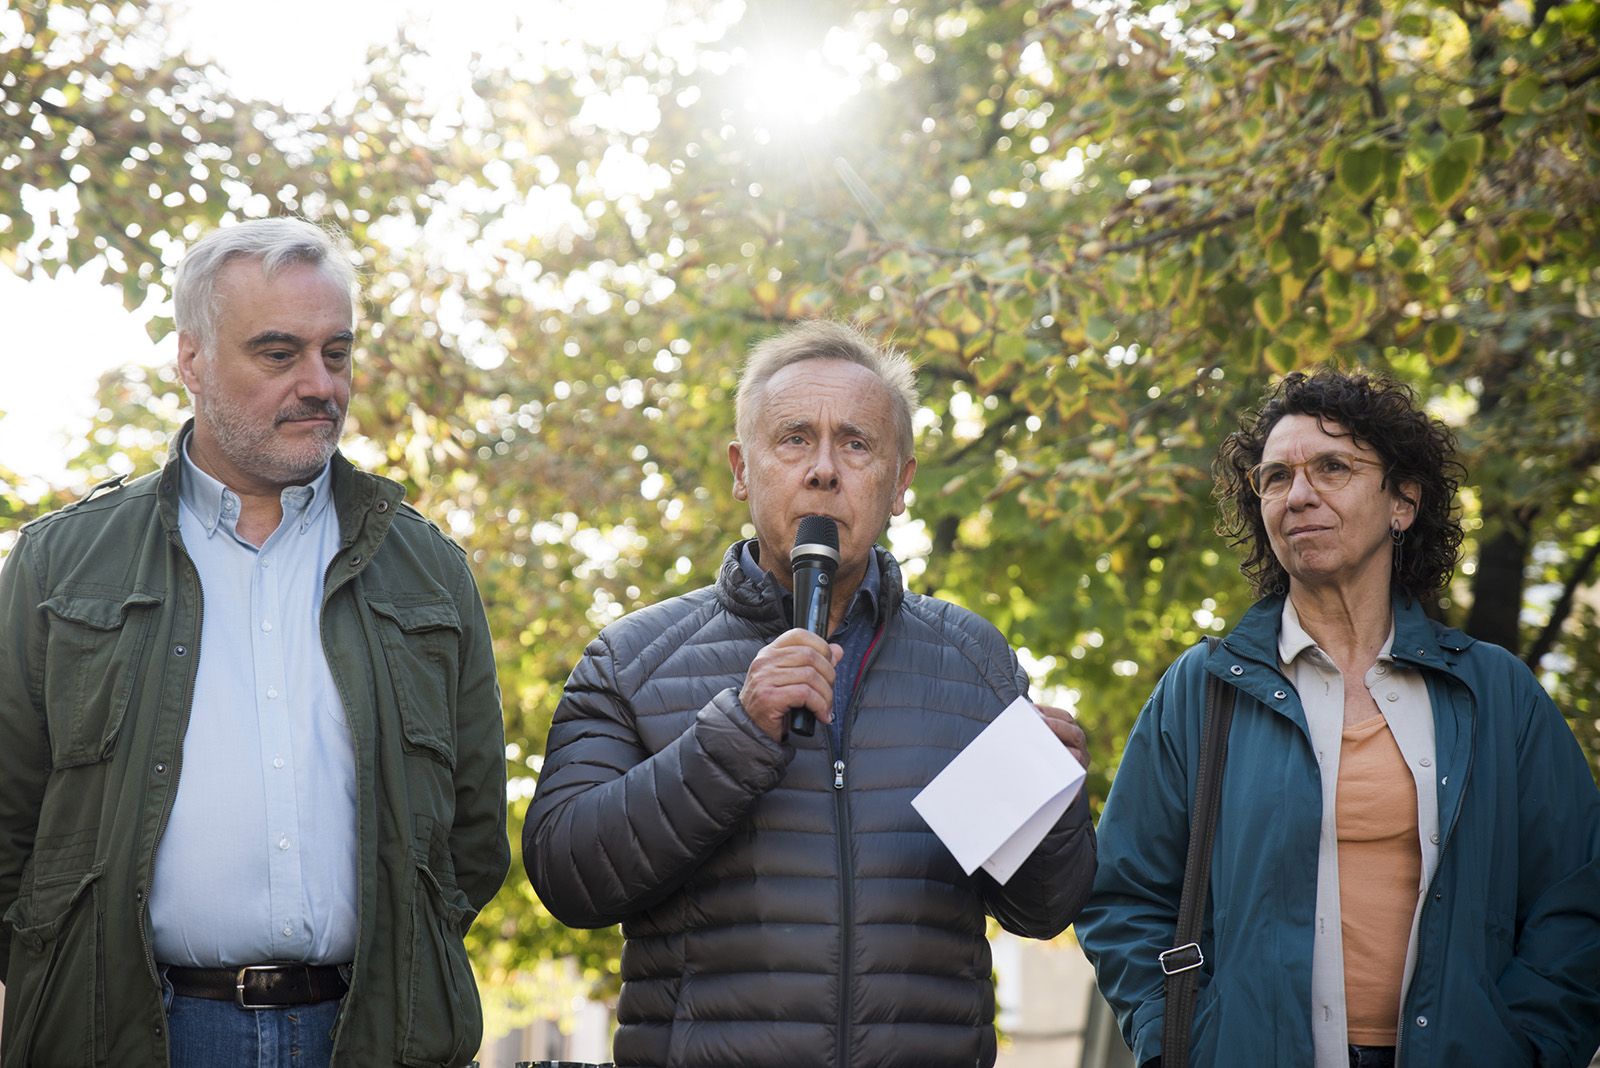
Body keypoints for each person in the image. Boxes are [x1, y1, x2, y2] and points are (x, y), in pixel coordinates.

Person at [0, 218, 509, 1067]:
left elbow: (472, 839)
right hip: (131, 1034)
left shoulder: (425, 569)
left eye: (336, 353)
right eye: (279, 354)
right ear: (192, 361)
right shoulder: (60, 563)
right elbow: (8, 822)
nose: (320, 385)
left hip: (370, 1034)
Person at [524, 319, 1096, 1068]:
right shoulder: (633, 659)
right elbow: (568, 877)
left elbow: (1042, 908)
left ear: (899, 484)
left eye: (857, 444)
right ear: (741, 468)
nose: (825, 469)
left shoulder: (974, 660)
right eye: (794, 438)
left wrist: (1054, 807)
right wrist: (733, 736)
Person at [1078, 369, 1600, 1067]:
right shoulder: (1203, 690)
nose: (1299, 496)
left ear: (1403, 501)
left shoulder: (1493, 691)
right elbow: (1123, 896)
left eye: (1333, 467)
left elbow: (1578, 894)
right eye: (1274, 478)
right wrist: (1183, 1041)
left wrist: (1525, 1045)